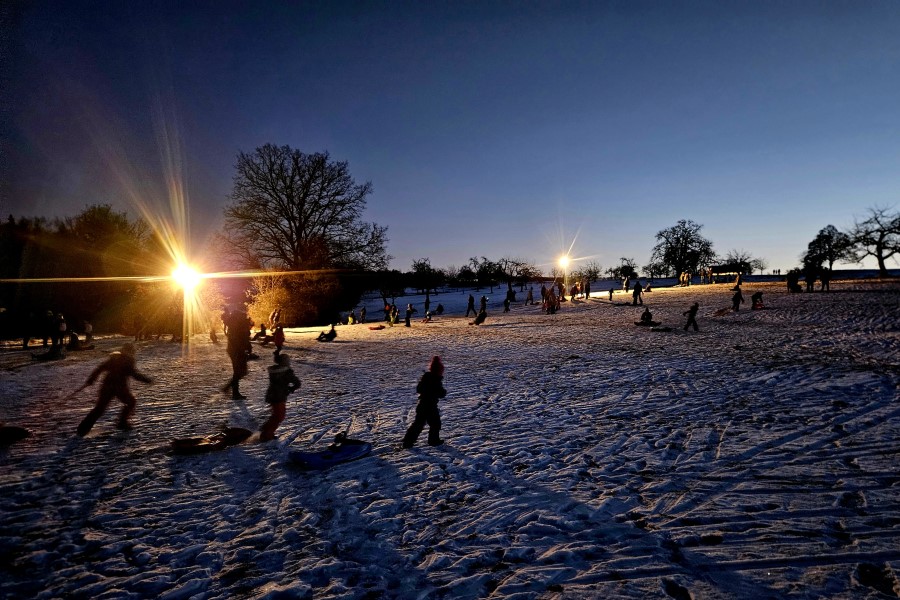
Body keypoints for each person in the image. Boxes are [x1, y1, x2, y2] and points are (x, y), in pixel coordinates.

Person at [77, 343, 152, 436]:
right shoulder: (128, 361)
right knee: (131, 402)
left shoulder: (114, 358)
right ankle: (122, 423)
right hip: (119, 387)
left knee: (99, 408)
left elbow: (100, 368)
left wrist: (91, 379)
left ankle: (82, 430)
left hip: (107, 386)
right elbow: (134, 374)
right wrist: (147, 380)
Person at [402, 356, 447, 448]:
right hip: (430, 406)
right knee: (435, 424)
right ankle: (433, 440)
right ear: (439, 370)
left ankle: (407, 441)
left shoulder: (426, 377)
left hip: (422, 404)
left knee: (418, 424)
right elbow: (441, 394)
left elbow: (419, 389)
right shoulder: (436, 380)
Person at [259, 354, 301, 442]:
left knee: (275, 415)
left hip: (271, 394)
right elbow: (297, 383)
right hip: (279, 395)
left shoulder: (273, 370)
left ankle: (265, 429)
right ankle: (267, 435)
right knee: (279, 416)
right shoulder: (287, 372)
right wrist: (291, 389)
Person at [222, 307, 251, 399]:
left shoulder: (233, 323)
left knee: (240, 371)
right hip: (237, 350)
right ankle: (232, 391)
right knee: (241, 371)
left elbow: (243, 336)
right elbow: (243, 337)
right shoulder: (239, 324)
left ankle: (232, 390)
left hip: (234, 350)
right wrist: (246, 348)